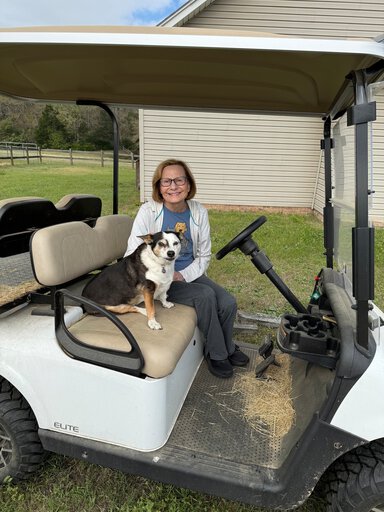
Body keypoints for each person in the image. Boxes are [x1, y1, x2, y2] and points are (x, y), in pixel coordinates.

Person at [125, 158, 249, 378]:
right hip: (157, 278)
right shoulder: (148, 212)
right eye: (166, 182)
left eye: (179, 180)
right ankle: (218, 353)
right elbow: (132, 253)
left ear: (189, 185)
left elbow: (203, 255)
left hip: (186, 272)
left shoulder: (198, 212)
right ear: (159, 187)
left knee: (228, 302)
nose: (173, 186)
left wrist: (184, 274)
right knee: (204, 295)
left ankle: (227, 346)